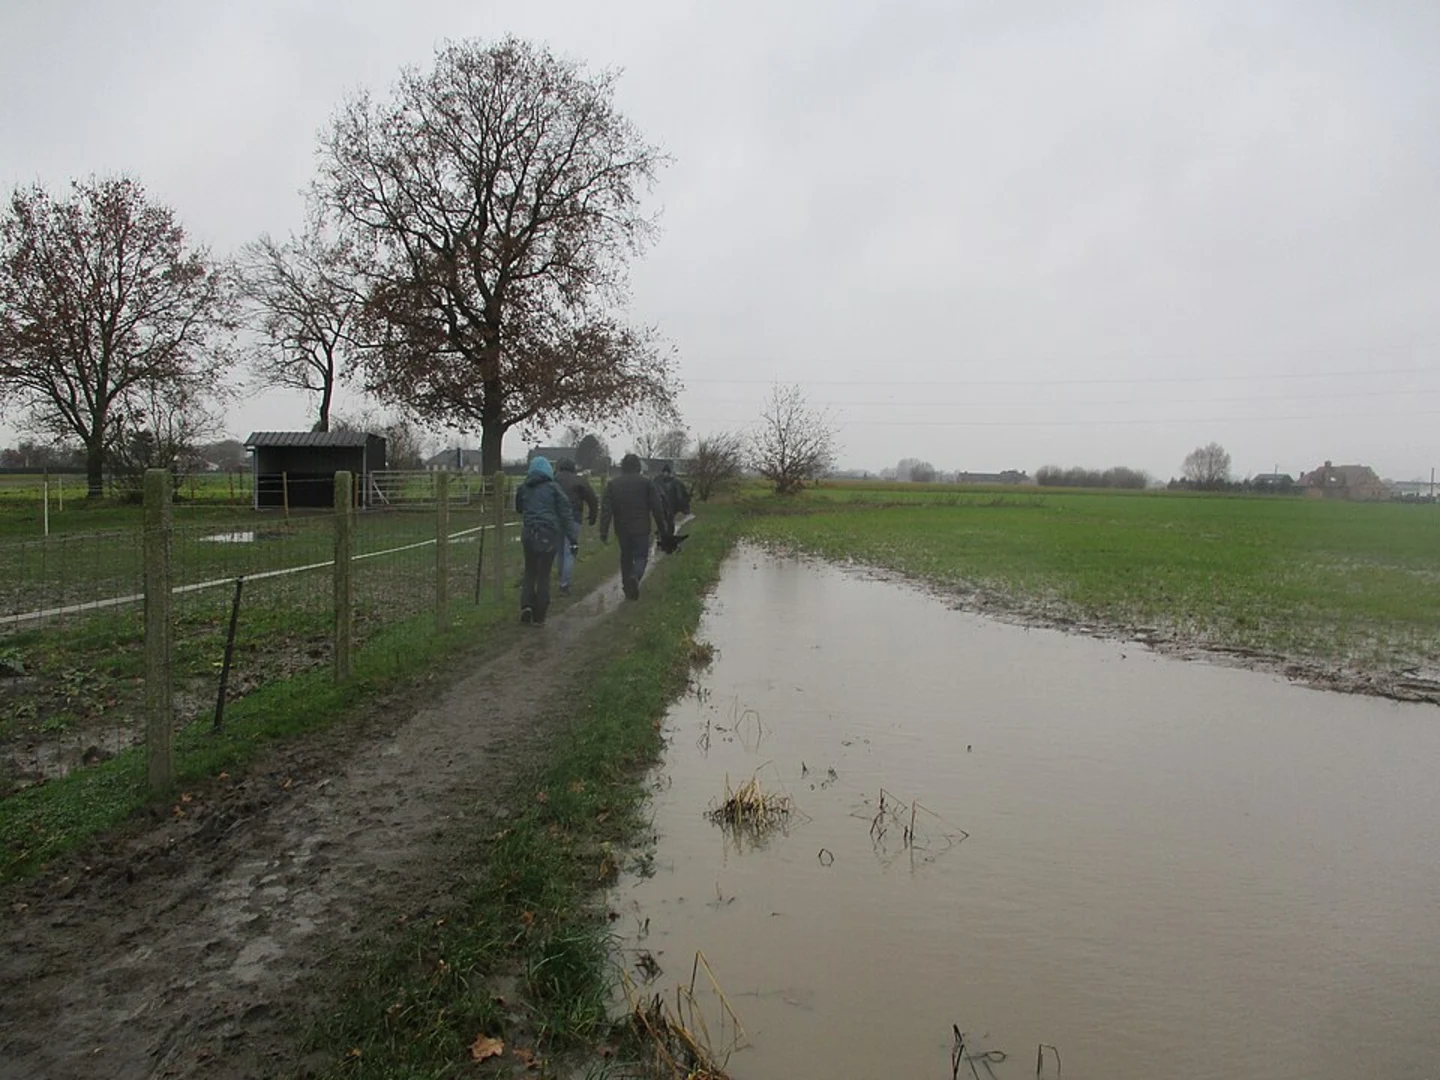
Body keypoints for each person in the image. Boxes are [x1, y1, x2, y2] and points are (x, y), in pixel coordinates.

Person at [513, 456, 577, 625]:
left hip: (529, 533)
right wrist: (573, 538)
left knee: (530, 571)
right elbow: (565, 513)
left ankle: (526, 605)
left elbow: (519, 508)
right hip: (548, 534)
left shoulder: (524, 488)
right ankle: (540, 614)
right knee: (543, 574)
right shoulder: (554, 489)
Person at [599, 452, 671, 600]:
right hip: (641, 528)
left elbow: (606, 510)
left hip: (622, 529)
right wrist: (662, 528)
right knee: (641, 556)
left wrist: (603, 531)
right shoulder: (647, 483)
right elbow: (657, 507)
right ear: (638, 466)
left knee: (625, 557)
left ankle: (627, 586)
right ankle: (635, 577)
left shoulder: (613, 484)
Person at [553, 458, 598, 594]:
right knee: (569, 551)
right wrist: (592, 516)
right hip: (573, 519)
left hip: (555, 519)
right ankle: (564, 584)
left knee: (559, 550)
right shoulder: (580, 481)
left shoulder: (553, 479)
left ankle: (561, 574)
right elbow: (592, 499)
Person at [654, 462, 691, 537]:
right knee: (665, 521)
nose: (665, 474)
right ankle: (663, 535)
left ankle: (667, 535)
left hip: (669, 506)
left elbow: (680, 495)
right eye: (664, 472)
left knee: (668, 521)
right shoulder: (659, 481)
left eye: (666, 472)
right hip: (664, 506)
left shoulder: (674, 482)